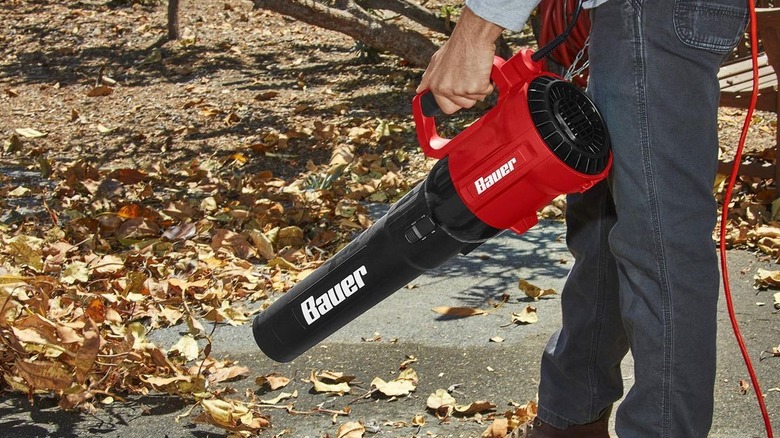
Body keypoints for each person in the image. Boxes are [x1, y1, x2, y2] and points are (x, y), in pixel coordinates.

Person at [417, 0, 749, 437]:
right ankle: (570, 418)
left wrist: (474, 32)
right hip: (633, 15)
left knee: (661, 244)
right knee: (606, 222)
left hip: (649, 12)